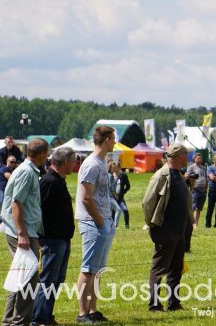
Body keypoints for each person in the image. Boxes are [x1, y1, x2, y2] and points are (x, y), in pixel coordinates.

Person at [0, 138, 48, 326]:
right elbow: (16, 203)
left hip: (27, 231)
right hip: (21, 232)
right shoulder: (26, 173)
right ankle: (19, 323)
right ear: (43, 154)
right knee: (29, 281)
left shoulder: (28, 171)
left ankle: (9, 321)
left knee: (21, 277)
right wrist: (22, 234)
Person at [142, 144, 192, 312]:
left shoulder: (178, 174)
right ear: (179, 156)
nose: (188, 158)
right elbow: (148, 202)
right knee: (159, 268)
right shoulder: (161, 175)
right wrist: (153, 225)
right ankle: (154, 304)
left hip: (179, 231)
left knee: (176, 268)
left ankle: (174, 303)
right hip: (165, 230)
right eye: (186, 155)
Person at [75, 126, 116, 324]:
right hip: (93, 223)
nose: (115, 142)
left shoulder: (101, 162)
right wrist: (100, 222)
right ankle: (82, 313)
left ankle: (93, 310)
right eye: (113, 138)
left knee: (96, 271)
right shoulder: (91, 164)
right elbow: (86, 198)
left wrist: (107, 222)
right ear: (107, 140)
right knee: (88, 269)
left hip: (103, 223)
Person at [33, 146, 76, 326]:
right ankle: (39, 319)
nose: (75, 165)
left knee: (57, 279)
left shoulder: (58, 180)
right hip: (52, 239)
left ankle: (46, 316)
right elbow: (39, 211)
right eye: (73, 161)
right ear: (65, 162)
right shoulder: (49, 181)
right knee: (48, 279)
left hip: (62, 238)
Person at [186, 153, 208, 229]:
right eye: (198, 158)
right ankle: (189, 223)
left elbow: (206, 178)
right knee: (192, 207)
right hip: (194, 190)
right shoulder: (191, 167)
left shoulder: (204, 168)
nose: (199, 160)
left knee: (198, 208)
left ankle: (196, 224)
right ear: (194, 159)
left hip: (203, 191)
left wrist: (206, 189)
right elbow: (187, 177)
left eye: (200, 158)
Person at [106, 160, 122, 228]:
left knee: (109, 212)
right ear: (110, 168)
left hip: (107, 196)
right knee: (118, 209)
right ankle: (115, 225)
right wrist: (115, 194)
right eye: (113, 168)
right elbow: (110, 187)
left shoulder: (109, 175)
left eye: (115, 168)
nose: (114, 169)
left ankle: (109, 225)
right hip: (109, 196)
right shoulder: (110, 176)